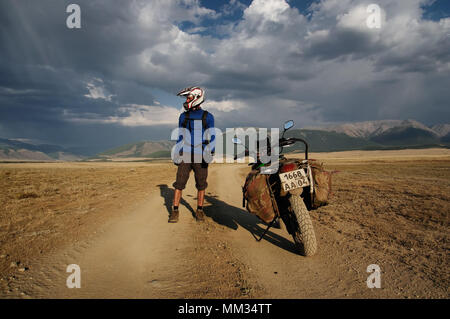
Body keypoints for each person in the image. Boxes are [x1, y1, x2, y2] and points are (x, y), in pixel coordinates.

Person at [169, 86, 215, 223]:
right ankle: (175, 211)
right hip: (186, 154)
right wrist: (177, 152)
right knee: (179, 183)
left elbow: (212, 136)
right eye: (187, 98)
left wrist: (210, 152)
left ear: (196, 98)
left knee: (201, 184)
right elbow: (180, 136)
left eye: (188, 97)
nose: (187, 100)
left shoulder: (208, 116)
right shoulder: (184, 116)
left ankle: (199, 210)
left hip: (201, 155)